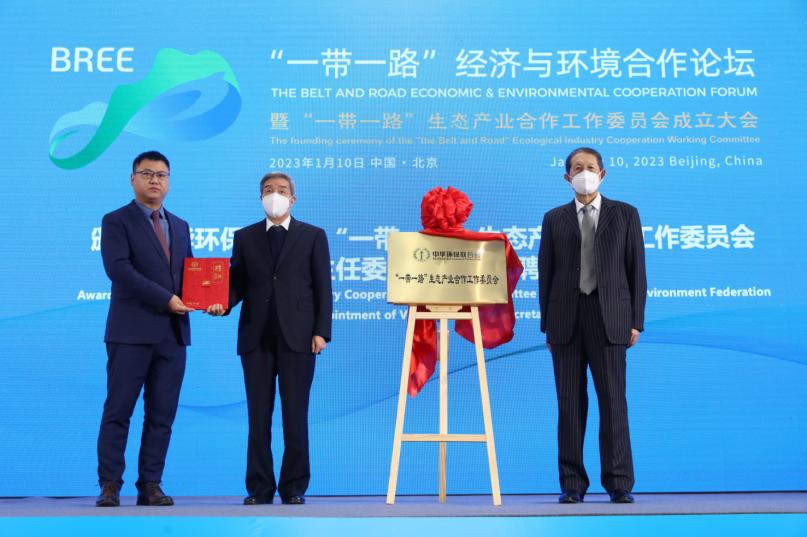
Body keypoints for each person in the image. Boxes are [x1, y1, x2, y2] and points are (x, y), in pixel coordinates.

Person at [209, 172, 332, 505]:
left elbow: (323, 287)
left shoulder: (313, 235)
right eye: (268, 190)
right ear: (260, 198)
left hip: (300, 338)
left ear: (293, 198)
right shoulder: (245, 236)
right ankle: (259, 488)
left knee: (295, 416)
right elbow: (237, 282)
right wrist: (222, 303)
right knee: (258, 417)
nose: (274, 195)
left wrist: (321, 331)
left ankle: (294, 487)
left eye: (281, 190)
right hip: (256, 337)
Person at [538, 147, 647, 504]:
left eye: (590, 167)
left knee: (613, 402)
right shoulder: (554, 219)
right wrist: (546, 324)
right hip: (565, 320)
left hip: (610, 319)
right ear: (567, 177)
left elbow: (636, 271)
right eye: (577, 168)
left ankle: (619, 482)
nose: (583, 173)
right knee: (569, 404)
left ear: (602, 174)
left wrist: (636, 322)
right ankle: (572, 483)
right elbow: (546, 273)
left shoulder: (625, 214)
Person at [96, 151, 194, 507]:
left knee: (161, 415)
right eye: (147, 173)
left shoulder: (180, 225)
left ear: (169, 181)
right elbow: (119, 270)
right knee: (118, 411)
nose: (155, 180)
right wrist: (167, 299)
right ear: (133, 178)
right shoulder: (116, 221)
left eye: (161, 175)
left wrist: (209, 300)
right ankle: (110, 485)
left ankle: (150, 484)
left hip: (173, 334)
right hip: (130, 333)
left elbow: (191, 275)